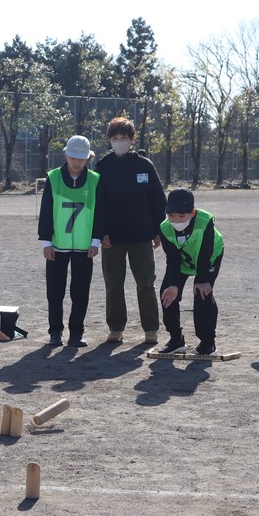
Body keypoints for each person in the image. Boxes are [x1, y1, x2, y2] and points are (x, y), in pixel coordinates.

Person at [94, 116, 167, 346]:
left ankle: (151, 328)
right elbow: (98, 204)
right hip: (112, 238)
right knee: (113, 284)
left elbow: (158, 200)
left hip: (142, 236)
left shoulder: (145, 165)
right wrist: (101, 232)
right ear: (109, 140)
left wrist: (158, 230)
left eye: (124, 138)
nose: (120, 142)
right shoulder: (102, 167)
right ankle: (116, 327)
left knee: (146, 283)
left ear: (132, 139)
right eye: (115, 138)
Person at [37, 135, 102, 347]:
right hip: (57, 246)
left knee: (80, 291)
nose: (76, 162)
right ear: (65, 155)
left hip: (85, 247)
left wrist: (96, 241)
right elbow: (46, 211)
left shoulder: (95, 180)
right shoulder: (53, 178)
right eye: (73, 157)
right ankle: (55, 332)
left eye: (81, 158)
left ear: (88, 158)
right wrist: (46, 242)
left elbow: (101, 213)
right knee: (55, 292)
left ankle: (76, 333)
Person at [158, 188, 224, 356]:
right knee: (167, 293)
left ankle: (208, 343)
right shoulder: (164, 228)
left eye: (182, 216)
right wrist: (174, 284)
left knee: (202, 293)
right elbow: (172, 258)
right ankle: (176, 340)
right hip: (183, 260)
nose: (176, 221)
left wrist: (203, 279)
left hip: (209, 258)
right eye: (171, 216)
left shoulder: (205, 221)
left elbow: (206, 251)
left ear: (192, 213)